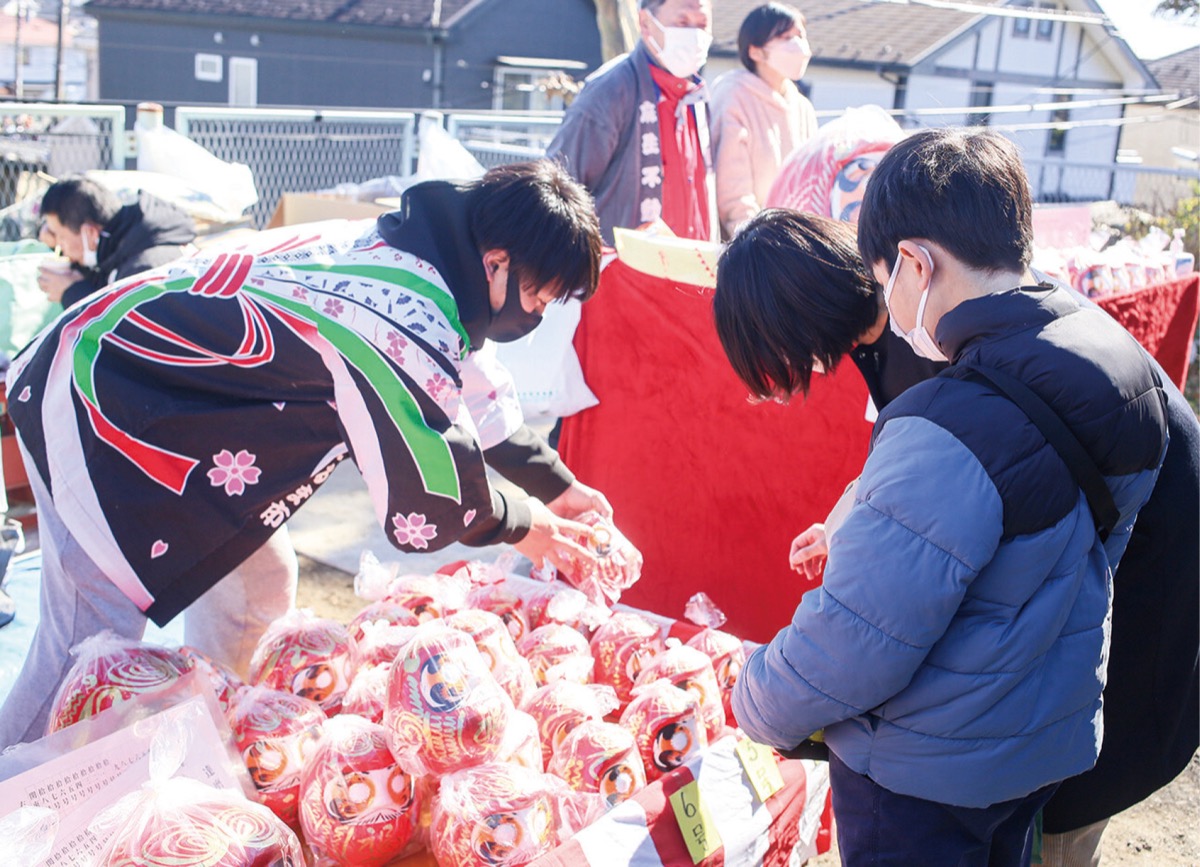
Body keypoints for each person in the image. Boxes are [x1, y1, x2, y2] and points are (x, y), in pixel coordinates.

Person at [0, 160, 611, 747]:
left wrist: (557, 487)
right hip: (101, 396)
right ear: (498, 263)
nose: (535, 315)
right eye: (538, 296)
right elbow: (430, 489)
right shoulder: (398, 308)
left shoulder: (423, 250)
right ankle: (16, 793)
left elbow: (476, 390)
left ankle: (216, 732)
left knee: (257, 578)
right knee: (88, 652)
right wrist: (532, 527)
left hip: (185, 418)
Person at [717, 129, 1170, 866]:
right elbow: (1088, 554)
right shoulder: (1115, 359)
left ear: (915, 263)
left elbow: (856, 641)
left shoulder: (950, 418)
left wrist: (756, 696)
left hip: (930, 771)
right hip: (1035, 737)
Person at [546, 0, 717, 244]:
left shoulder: (697, 96)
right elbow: (555, 188)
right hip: (620, 276)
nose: (694, 35)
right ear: (645, 22)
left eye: (702, 24)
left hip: (690, 273)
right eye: (682, 22)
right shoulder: (610, 91)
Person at [709, 2, 817, 238]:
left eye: (800, 35)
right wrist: (751, 239)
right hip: (752, 244)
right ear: (755, 51)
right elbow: (732, 189)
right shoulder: (733, 95)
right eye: (786, 37)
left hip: (794, 241)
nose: (798, 45)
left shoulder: (801, 106)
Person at [36, 176, 197, 309]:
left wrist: (70, 293)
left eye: (60, 238)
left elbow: (124, 335)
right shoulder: (128, 241)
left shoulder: (145, 269)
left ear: (90, 233)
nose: (59, 247)